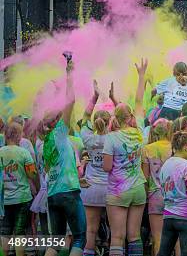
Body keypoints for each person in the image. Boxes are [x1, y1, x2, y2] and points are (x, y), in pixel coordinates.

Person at [102, 58, 148, 256]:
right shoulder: (139, 132)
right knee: (134, 235)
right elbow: (139, 100)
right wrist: (141, 76)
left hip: (118, 191)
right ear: (130, 117)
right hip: (138, 188)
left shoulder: (111, 138)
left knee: (117, 237)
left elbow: (106, 167)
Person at [40, 59, 86, 256]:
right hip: (68, 193)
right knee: (79, 237)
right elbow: (71, 101)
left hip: (53, 195)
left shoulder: (46, 141)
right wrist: (69, 76)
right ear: (57, 121)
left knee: (56, 242)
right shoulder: (60, 132)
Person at [157, 132, 187, 256]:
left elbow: (162, 190)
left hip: (168, 217)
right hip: (186, 217)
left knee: (163, 252)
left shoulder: (165, 165)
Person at [79, 81, 112, 256]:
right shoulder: (114, 140)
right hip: (111, 189)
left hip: (91, 188)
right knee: (117, 231)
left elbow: (84, 116)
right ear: (109, 122)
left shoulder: (87, 137)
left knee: (90, 230)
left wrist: (94, 97)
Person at [0, 122, 37, 256]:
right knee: (19, 231)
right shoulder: (24, 153)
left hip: (4, 199)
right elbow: (32, 174)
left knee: (5, 231)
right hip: (22, 198)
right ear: (18, 136)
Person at [142, 118, 173, 256]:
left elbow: (145, 178)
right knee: (176, 239)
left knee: (157, 237)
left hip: (155, 196)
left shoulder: (147, 149)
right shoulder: (174, 147)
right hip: (173, 195)